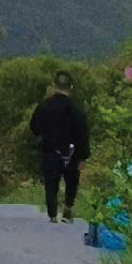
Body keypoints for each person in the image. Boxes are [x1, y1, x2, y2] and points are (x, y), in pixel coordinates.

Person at [29, 71, 90, 223]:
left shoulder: (44, 106)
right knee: (71, 181)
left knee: (51, 182)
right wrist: (83, 156)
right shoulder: (76, 109)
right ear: (70, 87)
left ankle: (52, 214)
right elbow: (83, 133)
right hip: (72, 152)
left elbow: (34, 126)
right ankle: (68, 208)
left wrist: (42, 137)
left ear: (54, 86)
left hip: (50, 150)